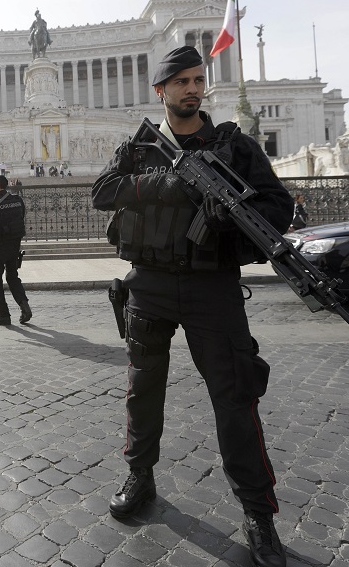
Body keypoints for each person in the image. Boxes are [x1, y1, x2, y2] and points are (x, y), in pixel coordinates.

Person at [91, 46, 293, 567]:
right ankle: (140, 475)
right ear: (161, 90)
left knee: (235, 400)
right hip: (150, 283)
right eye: (180, 81)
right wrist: (167, 184)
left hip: (212, 288)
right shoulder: (139, 148)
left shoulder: (234, 145)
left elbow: (278, 204)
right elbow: (102, 192)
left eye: (197, 79)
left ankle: (258, 513)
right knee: (142, 389)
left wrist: (228, 214)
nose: (191, 88)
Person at [0, 175, 32, 326]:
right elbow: (20, 218)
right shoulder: (18, 200)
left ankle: (3, 314)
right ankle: (24, 306)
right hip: (15, 246)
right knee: (13, 277)